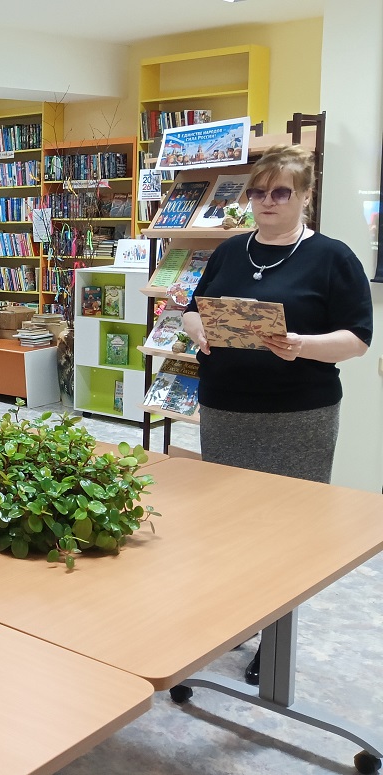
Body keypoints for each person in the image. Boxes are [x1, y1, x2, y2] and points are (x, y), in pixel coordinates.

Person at [181, 143, 373, 685]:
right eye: (258, 192)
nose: (267, 201)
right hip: (226, 408)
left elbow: (358, 339)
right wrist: (198, 332)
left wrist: (302, 345)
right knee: (228, 525)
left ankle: (275, 638)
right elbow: (194, 311)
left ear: (305, 196)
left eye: (281, 191)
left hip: (297, 416)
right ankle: (236, 618)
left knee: (287, 534)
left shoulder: (333, 257)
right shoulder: (229, 251)